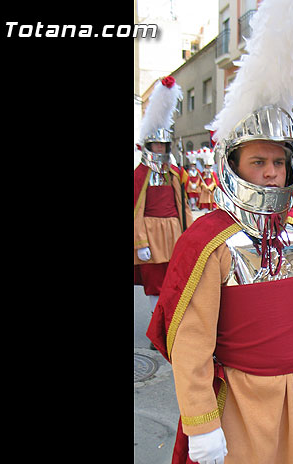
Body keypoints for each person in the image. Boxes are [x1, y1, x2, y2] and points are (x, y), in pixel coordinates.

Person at [147, 1, 293, 464]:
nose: (271, 174)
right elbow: (191, 342)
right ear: (234, 167)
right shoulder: (211, 242)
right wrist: (201, 419)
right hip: (243, 404)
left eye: (278, 163)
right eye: (258, 163)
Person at [134, 75, 193, 338]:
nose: (160, 148)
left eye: (163, 144)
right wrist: (140, 243)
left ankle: (170, 324)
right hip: (150, 235)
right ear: (148, 145)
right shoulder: (139, 174)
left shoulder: (175, 173)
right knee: (154, 285)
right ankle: (155, 329)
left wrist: (190, 234)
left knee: (175, 281)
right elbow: (135, 212)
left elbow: (184, 208)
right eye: (156, 144)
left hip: (173, 234)